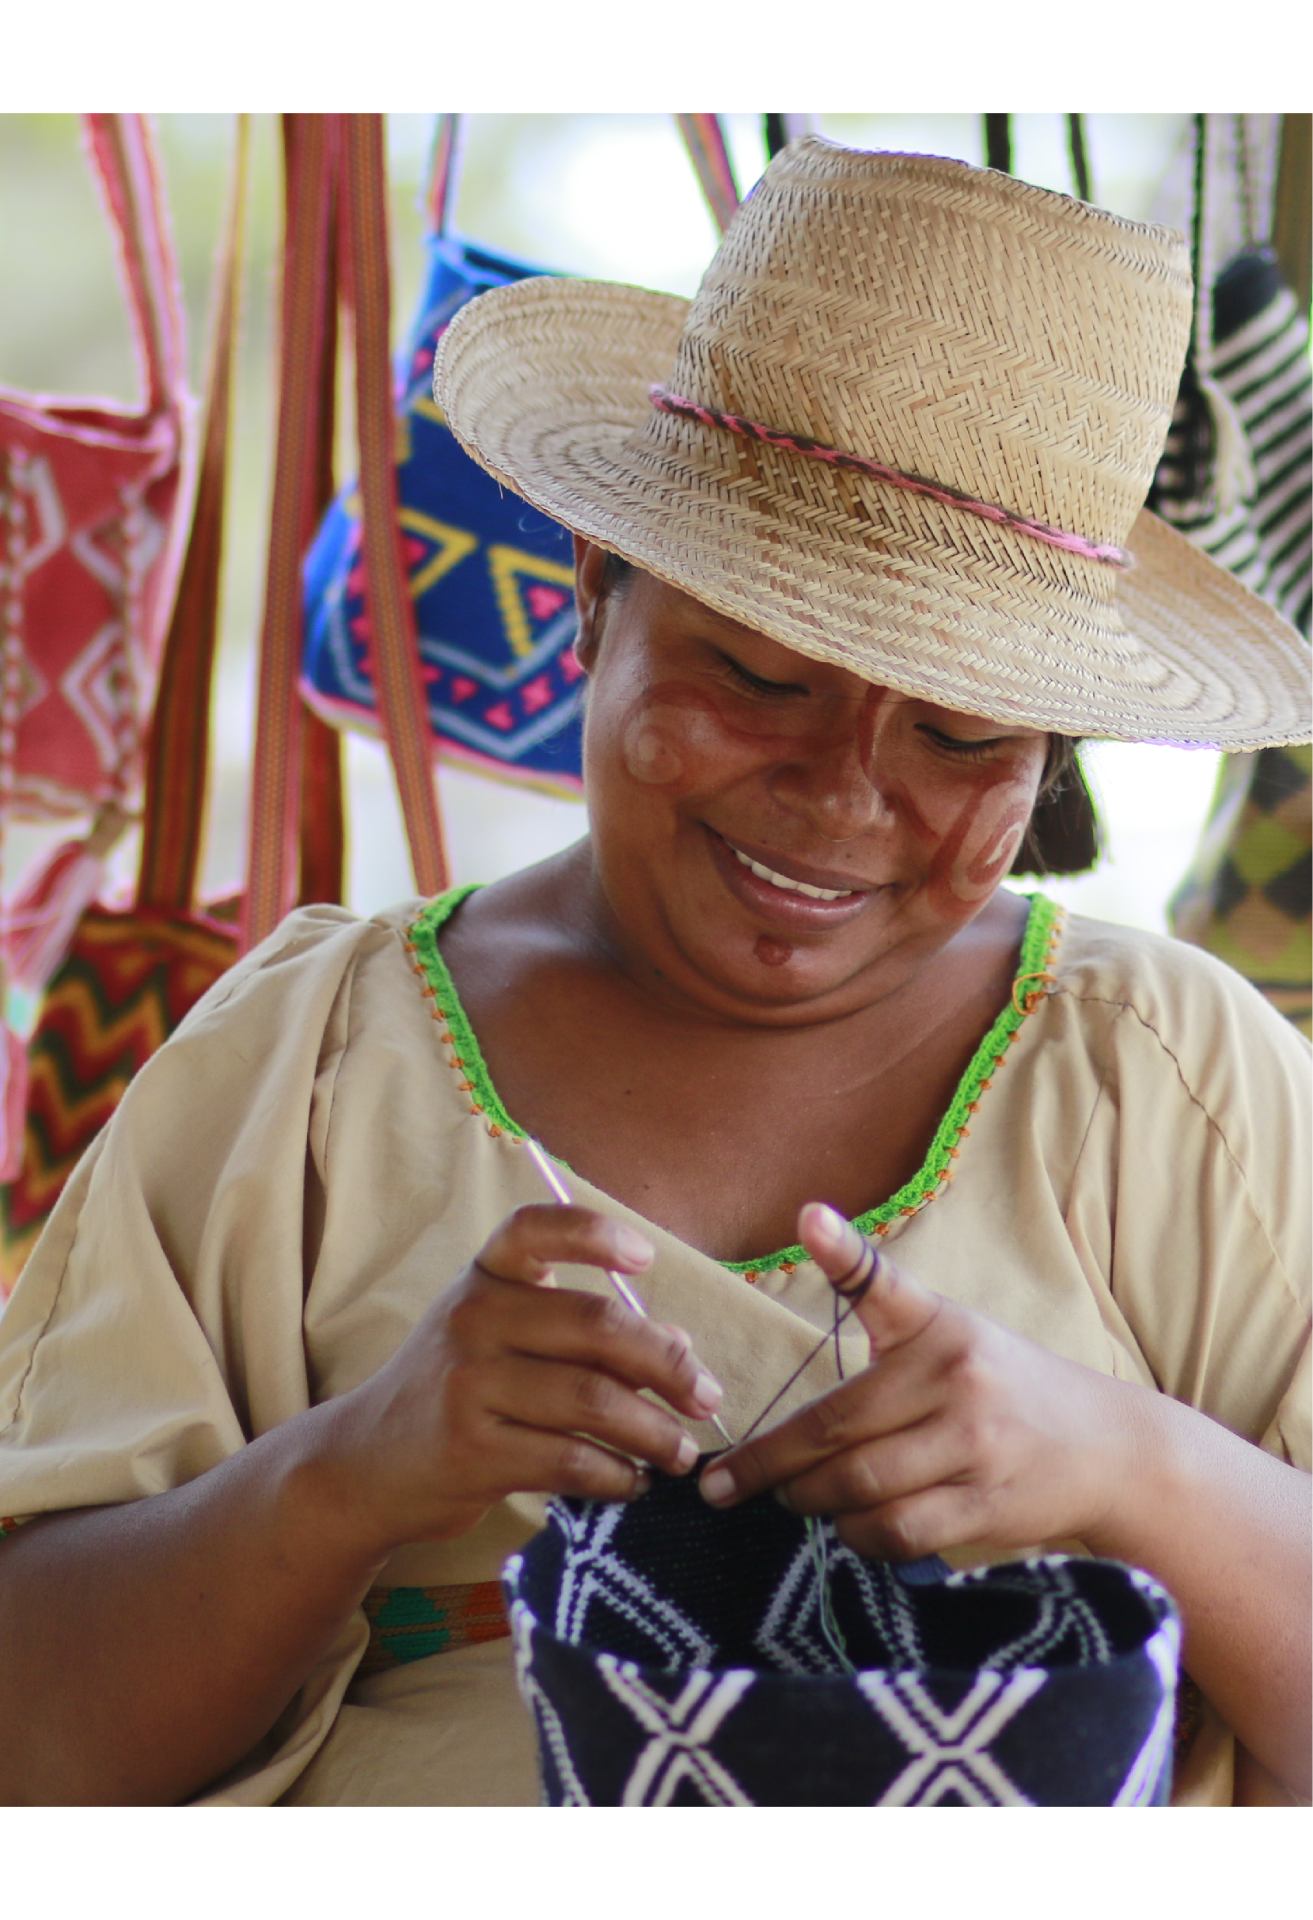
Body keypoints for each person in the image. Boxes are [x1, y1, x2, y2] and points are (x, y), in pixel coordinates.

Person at [0, 137, 1308, 1808]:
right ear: (588, 603)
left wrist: (1129, 1467)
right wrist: (353, 1473)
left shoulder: (1167, 1074)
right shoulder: (307, 1064)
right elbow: (36, 1752)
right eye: (756, 676)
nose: (842, 794)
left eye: (963, 730)